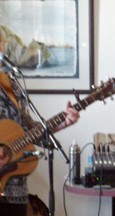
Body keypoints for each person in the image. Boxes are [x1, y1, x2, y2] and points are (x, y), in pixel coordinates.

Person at [0, 35, 80, 215]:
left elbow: (27, 130)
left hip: (16, 191)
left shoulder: (12, 85)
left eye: (0, 44)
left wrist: (62, 124)